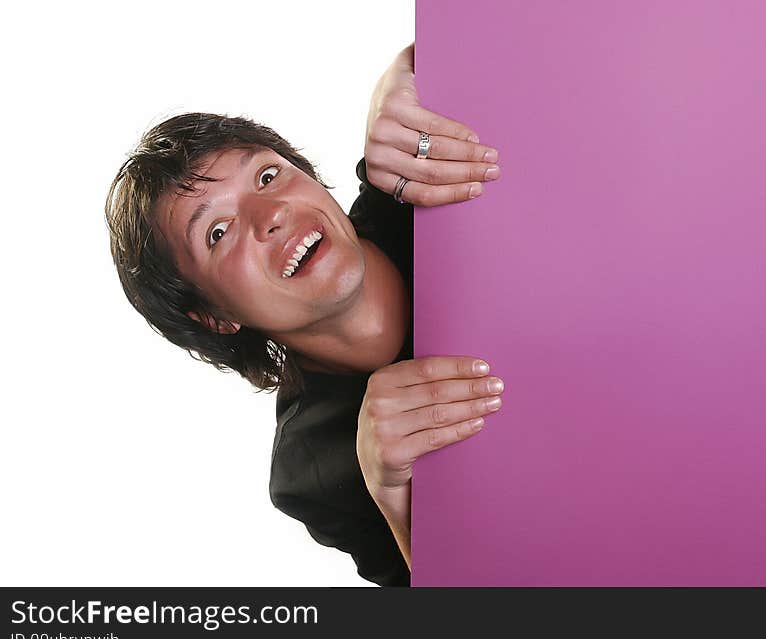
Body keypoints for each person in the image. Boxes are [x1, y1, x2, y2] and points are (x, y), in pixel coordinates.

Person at [104, 44, 505, 586]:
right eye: (218, 233)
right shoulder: (311, 468)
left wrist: (407, 67)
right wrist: (396, 497)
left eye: (268, 177)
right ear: (214, 316)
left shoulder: (423, 178)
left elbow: (504, 36)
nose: (270, 215)